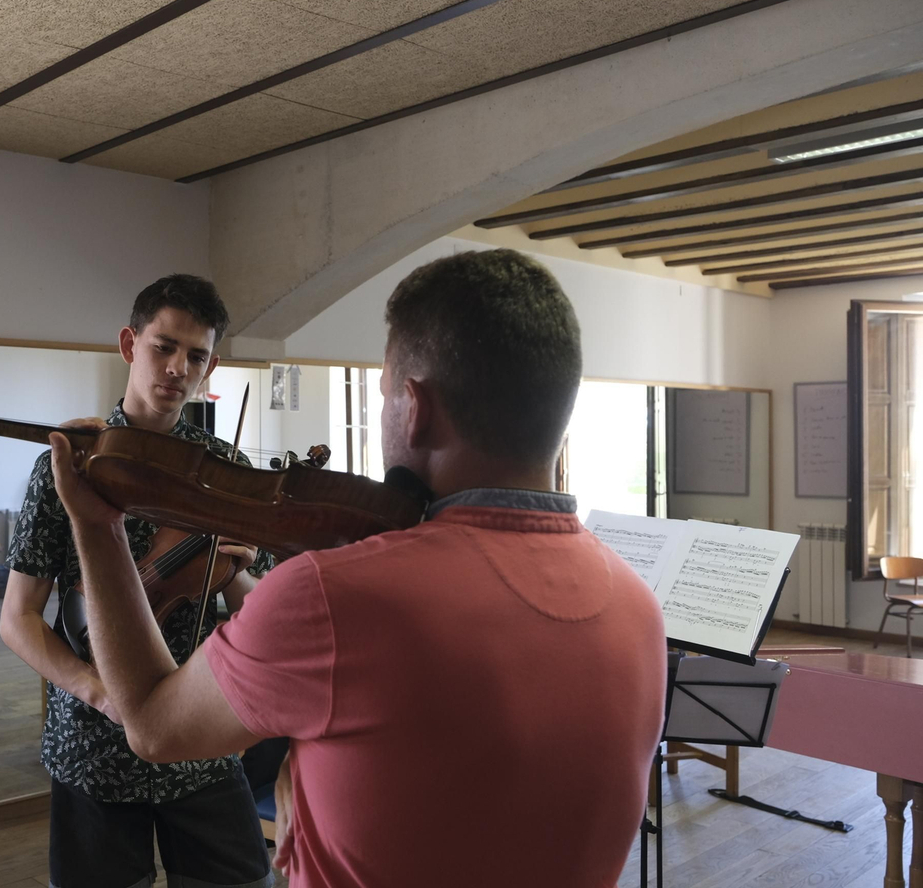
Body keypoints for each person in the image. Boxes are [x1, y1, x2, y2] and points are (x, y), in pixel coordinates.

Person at [49, 250, 668, 888]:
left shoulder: (332, 594)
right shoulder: (640, 610)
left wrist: (97, 527)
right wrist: (305, 760)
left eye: (380, 397)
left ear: (415, 407)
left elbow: (152, 723)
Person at [0, 274, 277, 888]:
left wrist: (238, 570)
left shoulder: (227, 471)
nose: (178, 367)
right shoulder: (65, 465)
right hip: (93, 748)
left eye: (196, 355)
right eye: (164, 346)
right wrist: (101, 693)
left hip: (202, 739)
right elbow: (16, 619)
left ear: (212, 366)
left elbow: (261, 613)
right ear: (130, 344)